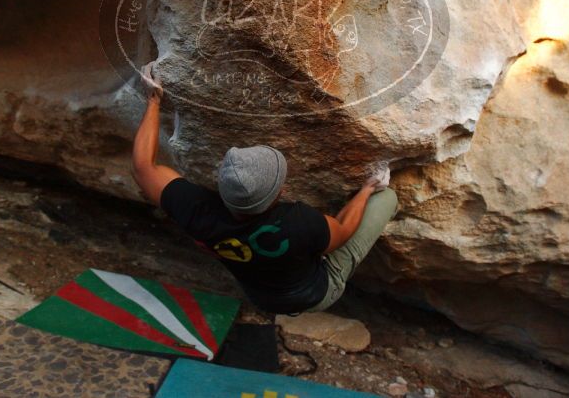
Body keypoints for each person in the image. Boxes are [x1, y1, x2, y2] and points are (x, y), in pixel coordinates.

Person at [131, 63, 398, 314]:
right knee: (386, 198)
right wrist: (366, 189)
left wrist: (153, 100)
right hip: (314, 293)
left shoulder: (195, 211)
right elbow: (343, 231)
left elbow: (143, 167)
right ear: (279, 195)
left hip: (260, 295)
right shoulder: (298, 222)